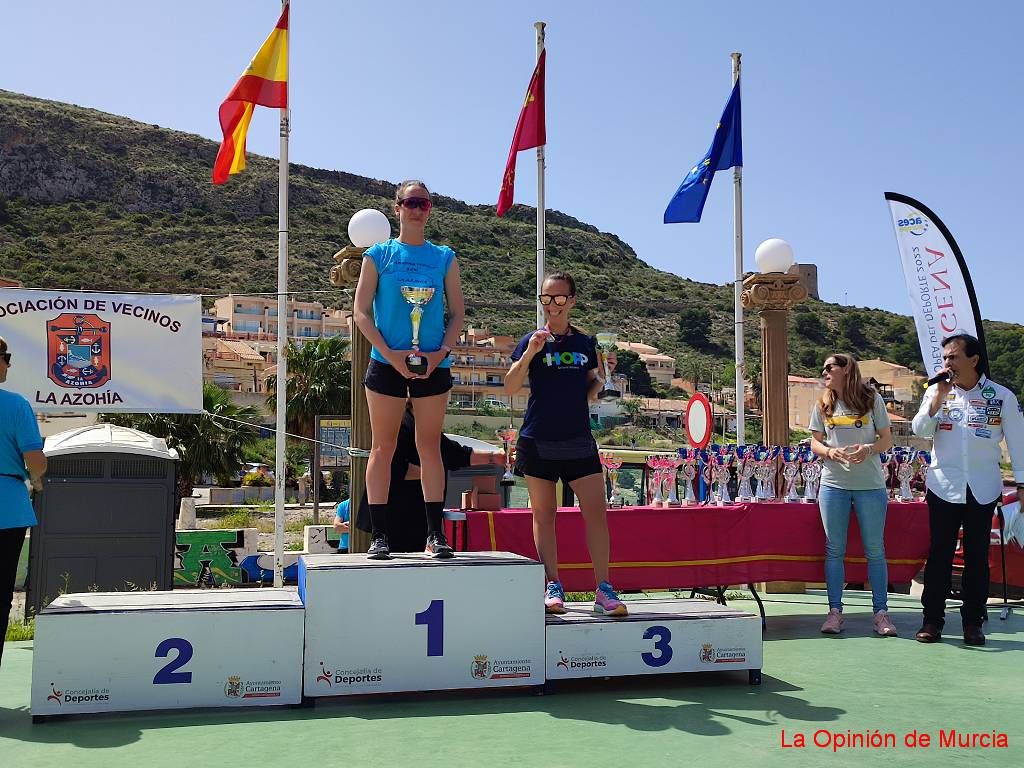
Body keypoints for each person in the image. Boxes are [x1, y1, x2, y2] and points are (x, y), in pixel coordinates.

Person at [353, 180, 465, 560]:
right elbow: (361, 313)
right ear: (397, 208)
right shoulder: (378, 255)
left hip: (434, 363)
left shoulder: (444, 257)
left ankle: (435, 534)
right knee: (382, 448)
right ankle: (379, 536)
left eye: (425, 203)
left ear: (430, 209)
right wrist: (389, 353)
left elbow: (458, 313)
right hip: (386, 364)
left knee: (429, 446)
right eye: (411, 203)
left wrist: (440, 353)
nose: (418, 209)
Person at [504, 272, 627, 617]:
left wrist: (605, 377)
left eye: (560, 298)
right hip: (537, 440)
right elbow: (511, 386)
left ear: (572, 301)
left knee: (596, 515)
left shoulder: (586, 345)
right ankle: (552, 584)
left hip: (577, 440)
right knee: (544, 515)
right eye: (547, 298)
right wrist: (529, 353)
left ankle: (603, 589)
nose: (553, 305)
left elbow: (592, 392)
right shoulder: (531, 340)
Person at [912, 333, 1024, 646]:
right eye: (945, 358)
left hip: (982, 487)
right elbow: (919, 429)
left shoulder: (1001, 396)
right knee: (939, 556)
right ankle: (932, 621)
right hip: (943, 485)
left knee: (977, 558)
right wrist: (936, 398)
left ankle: (973, 623)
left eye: (953, 357)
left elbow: (1018, 443)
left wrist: (1023, 482)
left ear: (973, 360)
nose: (946, 363)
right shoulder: (936, 391)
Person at [809, 353, 896, 636]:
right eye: (823, 368)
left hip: (870, 486)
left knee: (875, 550)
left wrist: (868, 449)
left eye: (829, 367)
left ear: (846, 369)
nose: (824, 372)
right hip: (833, 485)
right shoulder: (823, 403)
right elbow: (815, 442)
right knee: (834, 550)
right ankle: (834, 612)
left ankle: (881, 614)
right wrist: (829, 452)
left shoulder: (872, 399)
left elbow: (886, 439)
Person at [353, 405, 504, 552]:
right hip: (396, 517)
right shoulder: (401, 425)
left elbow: (457, 455)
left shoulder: (424, 428)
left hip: (413, 518)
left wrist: (494, 458)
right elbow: (396, 468)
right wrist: (433, 473)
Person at [0, 336, 47, 667]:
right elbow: (35, 458)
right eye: (7, 356)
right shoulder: (15, 405)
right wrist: (38, 476)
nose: (10, 364)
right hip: (7, 507)